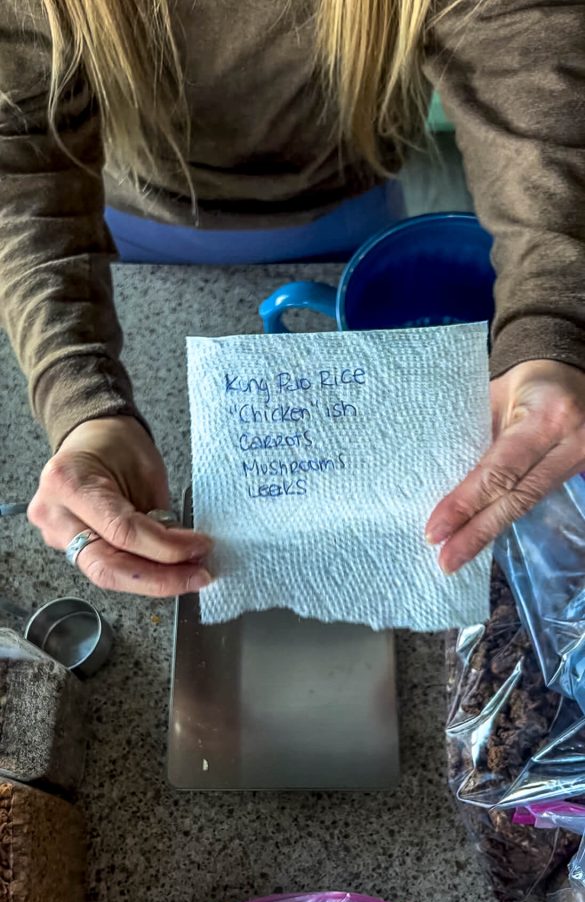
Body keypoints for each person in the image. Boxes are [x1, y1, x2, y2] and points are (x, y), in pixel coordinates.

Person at [1, 0, 583, 598]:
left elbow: (535, 78)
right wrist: (80, 405)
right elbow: (18, 164)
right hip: (133, 225)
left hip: (346, 210)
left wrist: (550, 329)